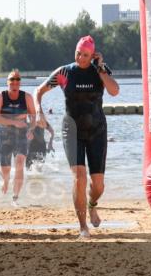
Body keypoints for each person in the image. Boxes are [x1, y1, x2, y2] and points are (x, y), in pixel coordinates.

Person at [36, 35, 119, 238]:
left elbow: (115, 91)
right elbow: (38, 91)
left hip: (97, 130)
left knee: (98, 185)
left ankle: (92, 205)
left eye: (86, 55)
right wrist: (39, 111)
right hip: (71, 130)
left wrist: (101, 69)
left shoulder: (100, 70)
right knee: (79, 177)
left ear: (93, 55)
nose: (81, 58)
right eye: (78, 53)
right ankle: (83, 226)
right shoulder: (65, 72)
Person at [0, 69, 36, 204]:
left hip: (22, 133)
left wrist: (31, 129)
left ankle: (15, 197)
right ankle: (5, 180)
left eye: (17, 80)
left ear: (20, 83)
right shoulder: (1, 96)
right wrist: (14, 122)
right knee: (6, 169)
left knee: (20, 162)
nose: (15, 82)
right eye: (12, 80)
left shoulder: (27, 97)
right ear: (7, 82)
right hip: (4, 133)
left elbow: (33, 116)